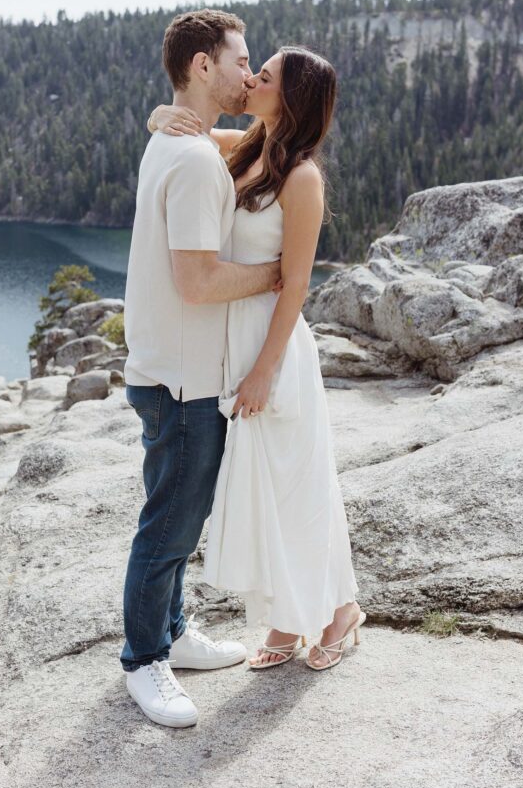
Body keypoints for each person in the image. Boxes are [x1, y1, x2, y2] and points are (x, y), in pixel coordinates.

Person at [148, 42, 364, 675]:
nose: (250, 80)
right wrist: (160, 116)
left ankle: (335, 614)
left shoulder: (301, 177)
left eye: (262, 77)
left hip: (275, 351)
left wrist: (265, 368)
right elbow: (178, 128)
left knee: (298, 486)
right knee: (265, 490)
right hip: (237, 342)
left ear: (288, 96)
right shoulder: (247, 149)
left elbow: (295, 284)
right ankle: (289, 617)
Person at [121, 9, 283, 729]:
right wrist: (276, 274)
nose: (248, 74)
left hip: (170, 370)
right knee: (169, 526)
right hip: (182, 381)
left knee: (178, 518)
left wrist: (164, 117)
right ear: (200, 66)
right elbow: (197, 282)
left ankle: (174, 634)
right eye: (239, 60)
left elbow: (239, 144)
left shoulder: (177, 139)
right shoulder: (187, 159)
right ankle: (143, 660)